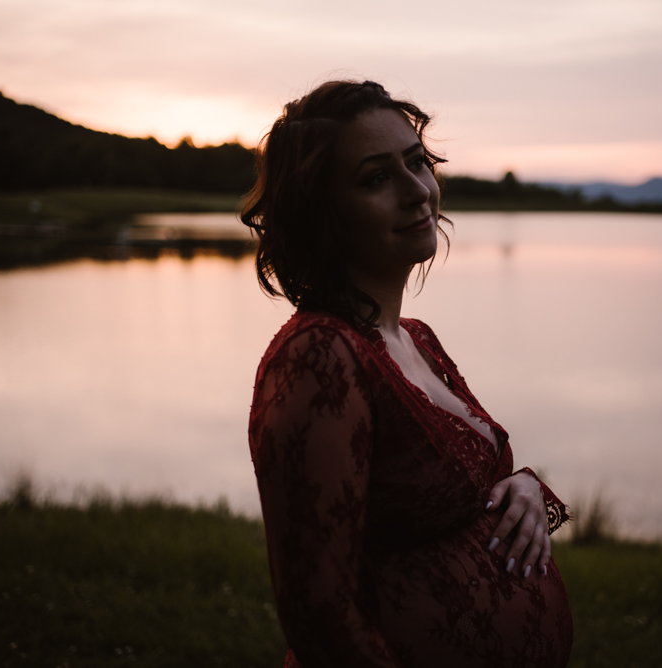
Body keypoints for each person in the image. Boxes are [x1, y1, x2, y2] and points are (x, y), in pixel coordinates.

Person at [242, 80, 572, 668]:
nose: (418, 191)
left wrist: (520, 486)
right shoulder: (320, 357)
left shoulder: (415, 338)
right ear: (322, 213)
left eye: (417, 162)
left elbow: (458, 475)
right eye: (376, 178)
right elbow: (321, 617)